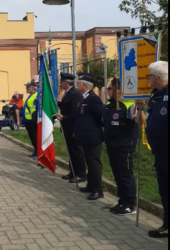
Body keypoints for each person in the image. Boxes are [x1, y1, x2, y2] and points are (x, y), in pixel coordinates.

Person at [57, 73, 104, 201]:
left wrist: (91, 129)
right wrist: (64, 117)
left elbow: (101, 116)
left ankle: (97, 190)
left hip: (92, 136)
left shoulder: (92, 99)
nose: (77, 85)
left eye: (79, 83)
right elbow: (78, 117)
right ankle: (90, 185)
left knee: (94, 164)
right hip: (84, 136)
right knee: (89, 162)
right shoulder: (84, 98)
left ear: (84, 85)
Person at [103, 78, 140, 216]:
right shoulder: (110, 105)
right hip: (112, 146)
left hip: (125, 147)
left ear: (118, 90)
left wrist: (139, 105)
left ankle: (131, 204)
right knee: (118, 176)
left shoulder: (129, 104)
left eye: (110, 89)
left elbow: (139, 121)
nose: (108, 91)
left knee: (126, 176)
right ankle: (122, 201)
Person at [146, 61, 169, 238]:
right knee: (164, 190)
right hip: (160, 153)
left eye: (148, 76)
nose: (147, 78)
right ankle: (167, 225)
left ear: (156, 77)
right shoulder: (156, 95)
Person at [58, 73, 86, 183]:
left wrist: (64, 117)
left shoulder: (74, 94)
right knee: (71, 150)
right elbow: (65, 106)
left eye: (62, 81)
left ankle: (80, 174)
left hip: (72, 127)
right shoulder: (67, 93)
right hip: (67, 126)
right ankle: (73, 171)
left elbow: (76, 113)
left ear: (67, 83)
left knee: (76, 151)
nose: (61, 83)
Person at [22, 81, 38, 160]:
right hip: (28, 120)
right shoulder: (30, 95)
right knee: (32, 137)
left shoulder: (36, 95)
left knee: (35, 137)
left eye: (28, 87)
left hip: (33, 120)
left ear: (33, 88)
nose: (26, 88)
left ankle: (38, 153)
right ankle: (35, 151)